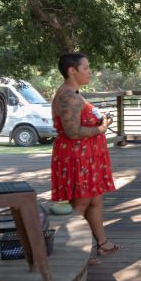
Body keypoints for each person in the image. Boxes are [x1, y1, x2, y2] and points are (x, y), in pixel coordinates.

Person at [51, 53, 120, 260]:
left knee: (95, 201)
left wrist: (100, 122)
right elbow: (72, 132)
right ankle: (76, 252)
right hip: (77, 157)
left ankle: (102, 243)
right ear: (72, 71)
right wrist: (101, 129)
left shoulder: (75, 93)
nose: (90, 72)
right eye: (86, 68)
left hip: (89, 156)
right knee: (80, 204)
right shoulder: (67, 96)